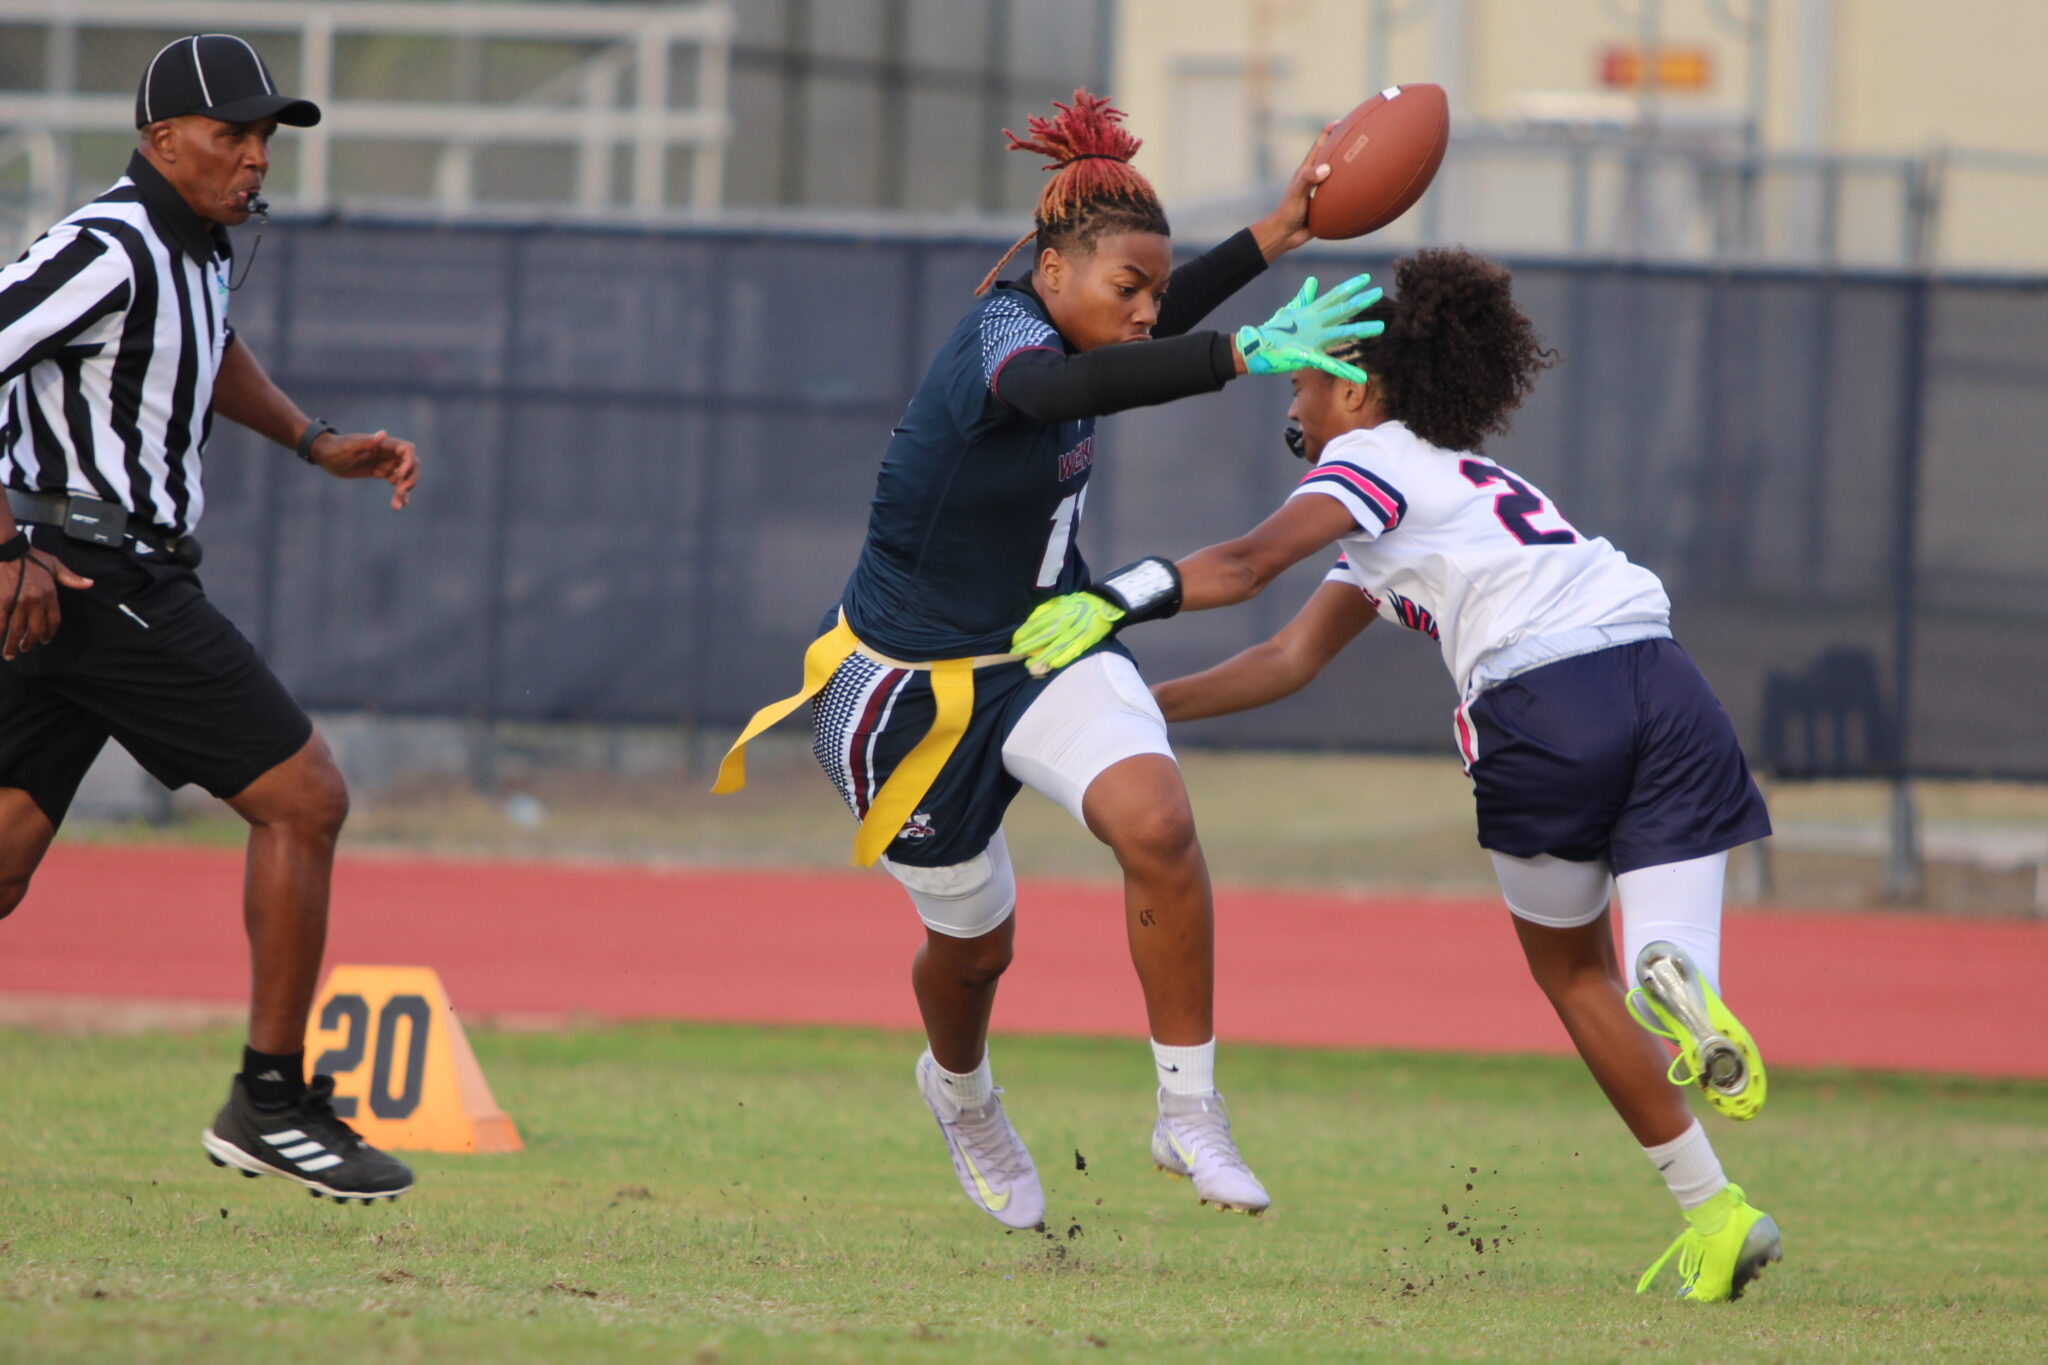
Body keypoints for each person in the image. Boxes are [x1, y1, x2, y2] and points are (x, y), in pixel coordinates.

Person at [1012, 248, 1783, 1301]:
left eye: (1302, 382)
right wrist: (1131, 708)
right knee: (1653, 952)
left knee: (1569, 972)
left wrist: (1117, 600)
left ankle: (1694, 1136)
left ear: (1358, 387)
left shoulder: (1366, 463)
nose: (1293, 401)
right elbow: (1284, 659)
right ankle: (1713, 1170)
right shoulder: (1464, 487)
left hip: (1542, 699)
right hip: (1662, 676)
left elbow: (1242, 568)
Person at [715, 92, 1380, 1229]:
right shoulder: (1005, 340)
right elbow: (1054, 389)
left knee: (1158, 824)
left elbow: (1129, 335)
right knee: (974, 951)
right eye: (1127, 291)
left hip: (1045, 640)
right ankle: (962, 1095)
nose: (1145, 315)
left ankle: (1187, 1110)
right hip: (902, 694)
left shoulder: (1088, 316)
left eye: (1154, 296)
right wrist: (1233, 354)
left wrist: (1271, 238)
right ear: (1056, 269)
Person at [0, 36, 420, 1204]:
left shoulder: (194, 252)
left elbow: (202, 353)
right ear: (157, 140)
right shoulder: (109, 242)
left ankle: (272, 1099)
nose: (251, 158)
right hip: (90, 572)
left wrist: (310, 440)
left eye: (263, 137)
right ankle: (271, 1101)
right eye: (227, 136)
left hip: (83, 575)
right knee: (306, 795)